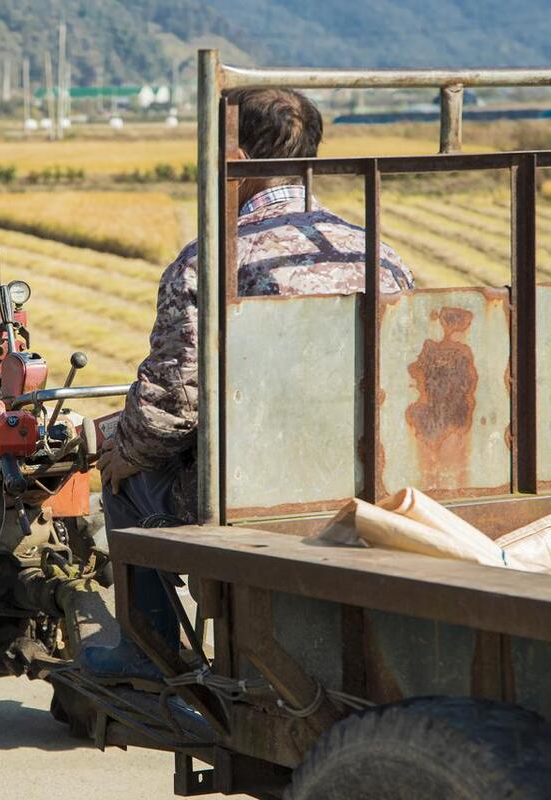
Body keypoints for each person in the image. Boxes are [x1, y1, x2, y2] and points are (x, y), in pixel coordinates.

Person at [83, 88, 415, 681]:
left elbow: (168, 411)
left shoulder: (210, 261)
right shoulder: (381, 255)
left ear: (233, 154)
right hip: (376, 478)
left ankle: (147, 652)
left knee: (122, 465)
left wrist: (120, 453)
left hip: (254, 493)